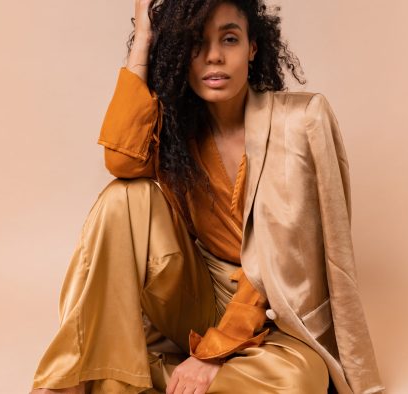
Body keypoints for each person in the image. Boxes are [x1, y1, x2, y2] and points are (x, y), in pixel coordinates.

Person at [30, 1, 385, 393]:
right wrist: (144, 40)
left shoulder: (299, 121)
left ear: (252, 47)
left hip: (276, 311)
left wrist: (211, 354)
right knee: (124, 197)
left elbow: (286, 257)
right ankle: (69, 381)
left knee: (299, 380)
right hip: (199, 297)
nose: (214, 56)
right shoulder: (178, 130)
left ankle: (124, 372)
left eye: (229, 39)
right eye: (196, 44)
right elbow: (121, 160)